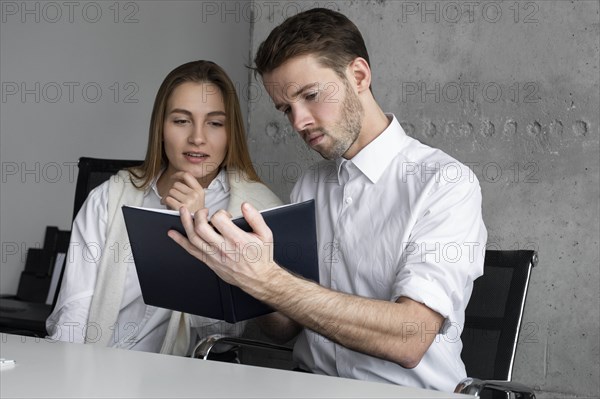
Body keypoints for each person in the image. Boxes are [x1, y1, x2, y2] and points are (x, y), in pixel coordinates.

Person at [169, 9, 487, 392]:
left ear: (358, 76)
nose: (298, 122)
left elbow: (409, 338)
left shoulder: (443, 183)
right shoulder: (309, 186)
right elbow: (283, 330)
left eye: (311, 95)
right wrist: (237, 272)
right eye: (286, 108)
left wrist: (270, 281)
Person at [47, 60, 282, 356]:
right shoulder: (109, 197)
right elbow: (74, 311)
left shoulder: (256, 209)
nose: (197, 137)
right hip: (99, 366)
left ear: (230, 132)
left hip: (187, 379)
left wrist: (199, 226)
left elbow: (222, 335)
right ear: (160, 128)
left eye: (215, 123)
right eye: (181, 121)